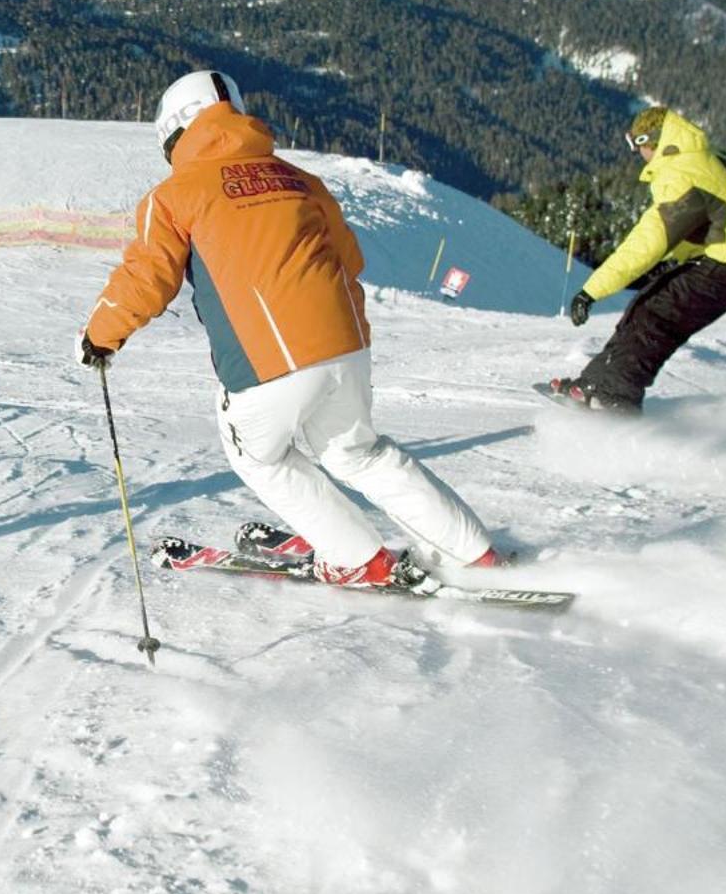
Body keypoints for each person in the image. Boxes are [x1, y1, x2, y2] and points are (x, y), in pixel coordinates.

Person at [79, 70, 503, 589]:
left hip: (266, 363)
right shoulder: (301, 179)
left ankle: (357, 557)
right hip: (346, 346)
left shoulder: (173, 196)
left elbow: (147, 276)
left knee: (259, 454)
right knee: (359, 453)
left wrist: (101, 336)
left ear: (173, 133)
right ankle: (473, 553)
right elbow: (351, 258)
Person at [551, 106, 726, 412]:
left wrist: (592, 289)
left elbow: (649, 241)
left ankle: (616, 396)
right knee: (646, 306)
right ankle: (594, 383)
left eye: (636, 145)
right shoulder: (691, 160)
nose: (636, 153)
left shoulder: (682, 174)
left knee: (656, 317)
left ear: (651, 141)